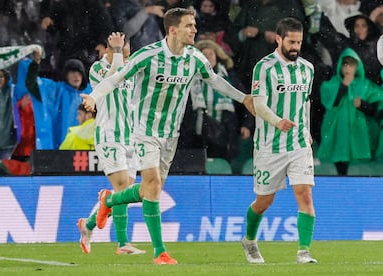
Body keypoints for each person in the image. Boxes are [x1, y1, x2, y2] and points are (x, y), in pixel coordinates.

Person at [81, 7, 254, 265]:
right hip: (144, 132)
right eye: (189, 25)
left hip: (170, 135)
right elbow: (115, 78)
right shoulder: (147, 56)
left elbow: (215, 80)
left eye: (194, 25)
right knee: (150, 186)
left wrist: (243, 98)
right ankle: (159, 252)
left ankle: (108, 203)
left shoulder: (194, 58)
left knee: (152, 190)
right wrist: (94, 97)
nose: (195, 30)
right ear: (173, 30)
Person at [242, 17, 317, 264]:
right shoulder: (264, 68)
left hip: (298, 143)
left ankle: (304, 252)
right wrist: (277, 122)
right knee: (264, 201)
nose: (296, 46)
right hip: (269, 145)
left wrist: (306, 130)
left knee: (304, 193)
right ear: (278, 39)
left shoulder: (308, 68)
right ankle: (250, 241)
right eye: (291, 41)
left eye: (299, 42)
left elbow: (305, 102)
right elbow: (259, 104)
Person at [77, 32, 145, 255]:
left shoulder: (132, 69)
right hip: (109, 135)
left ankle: (87, 225)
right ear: (109, 49)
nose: (127, 52)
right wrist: (116, 52)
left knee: (123, 193)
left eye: (126, 48)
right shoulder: (98, 68)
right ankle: (123, 243)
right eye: (121, 48)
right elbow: (113, 78)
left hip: (131, 138)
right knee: (122, 188)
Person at [318, 49, 383, 175]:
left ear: (357, 66)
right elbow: (329, 101)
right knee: (339, 161)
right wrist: (343, 86)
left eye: (351, 64)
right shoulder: (332, 83)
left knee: (359, 167)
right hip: (338, 131)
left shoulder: (365, 85)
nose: (348, 68)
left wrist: (363, 105)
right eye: (345, 64)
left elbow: (376, 108)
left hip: (358, 130)